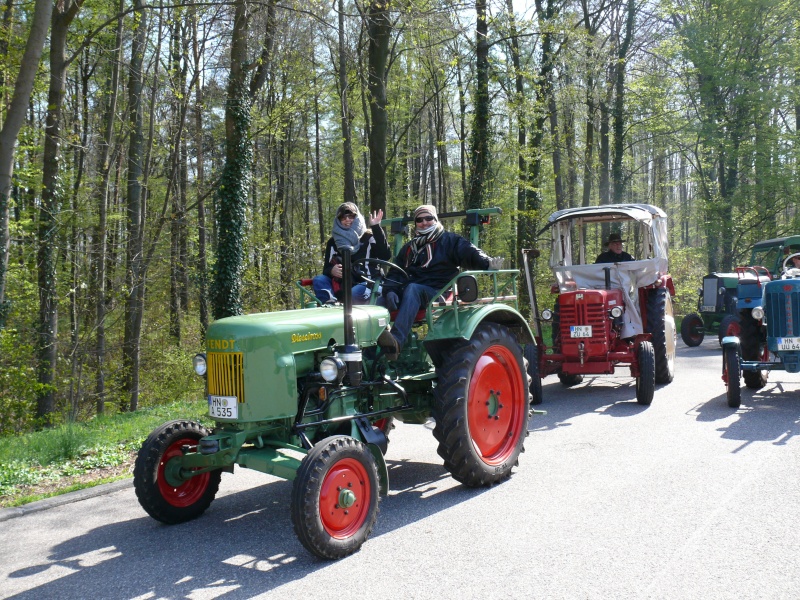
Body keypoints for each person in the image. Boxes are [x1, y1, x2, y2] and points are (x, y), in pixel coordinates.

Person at [377, 204, 496, 359]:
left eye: (429, 218)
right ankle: (369, 349)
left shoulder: (449, 240)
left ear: (435, 219)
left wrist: (487, 262)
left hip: (438, 291)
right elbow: (395, 272)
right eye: (419, 220)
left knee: (413, 288)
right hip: (410, 292)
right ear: (416, 223)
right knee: (378, 299)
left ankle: (396, 341)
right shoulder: (409, 248)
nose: (424, 222)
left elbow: (470, 252)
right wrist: (390, 291)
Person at [312, 202, 390, 304]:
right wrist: (331, 270)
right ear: (338, 220)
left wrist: (376, 227)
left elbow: (385, 255)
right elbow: (326, 269)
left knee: (352, 293)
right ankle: (330, 306)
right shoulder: (333, 242)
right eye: (343, 218)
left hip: (368, 282)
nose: (347, 220)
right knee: (319, 280)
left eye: (351, 216)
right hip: (342, 284)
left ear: (357, 218)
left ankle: (345, 312)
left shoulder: (369, 237)